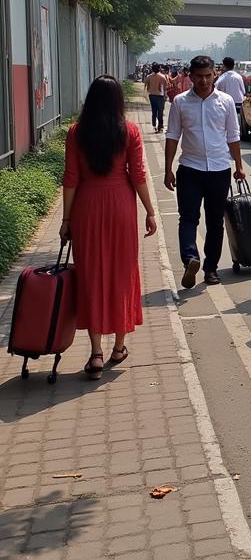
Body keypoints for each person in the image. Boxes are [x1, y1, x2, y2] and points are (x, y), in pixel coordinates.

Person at [60, 76, 157, 379]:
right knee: (121, 273)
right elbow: (138, 174)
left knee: (90, 274)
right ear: (118, 101)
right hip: (120, 206)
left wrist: (65, 220)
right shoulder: (128, 131)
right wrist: (150, 211)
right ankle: (119, 346)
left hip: (86, 207)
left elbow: (71, 178)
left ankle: (95, 353)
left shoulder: (76, 133)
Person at [165, 56, 246, 290]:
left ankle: (211, 268)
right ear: (190, 76)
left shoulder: (226, 101)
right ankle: (191, 258)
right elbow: (172, 135)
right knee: (188, 218)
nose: (203, 80)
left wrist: (239, 165)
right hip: (190, 168)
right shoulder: (180, 102)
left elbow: (233, 135)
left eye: (207, 76)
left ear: (214, 75)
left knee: (215, 222)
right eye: (198, 76)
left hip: (219, 169)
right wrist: (168, 168)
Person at [144, 64, 168, 132]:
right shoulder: (162, 77)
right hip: (160, 96)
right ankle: (160, 126)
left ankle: (154, 125)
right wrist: (165, 95)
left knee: (154, 111)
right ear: (159, 68)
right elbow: (166, 86)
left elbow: (145, 83)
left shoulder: (149, 76)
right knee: (160, 112)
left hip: (152, 95)